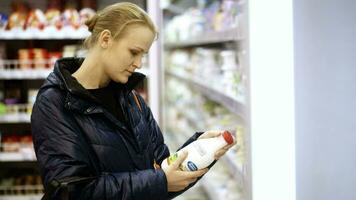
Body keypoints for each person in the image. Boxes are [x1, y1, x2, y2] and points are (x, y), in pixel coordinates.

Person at [31, 2, 236, 200]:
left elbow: (161, 172)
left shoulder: (132, 100)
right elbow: (71, 191)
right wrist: (160, 182)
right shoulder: (55, 103)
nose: (138, 63)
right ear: (105, 39)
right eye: (134, 52)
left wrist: (199, 152)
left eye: (143, 55)